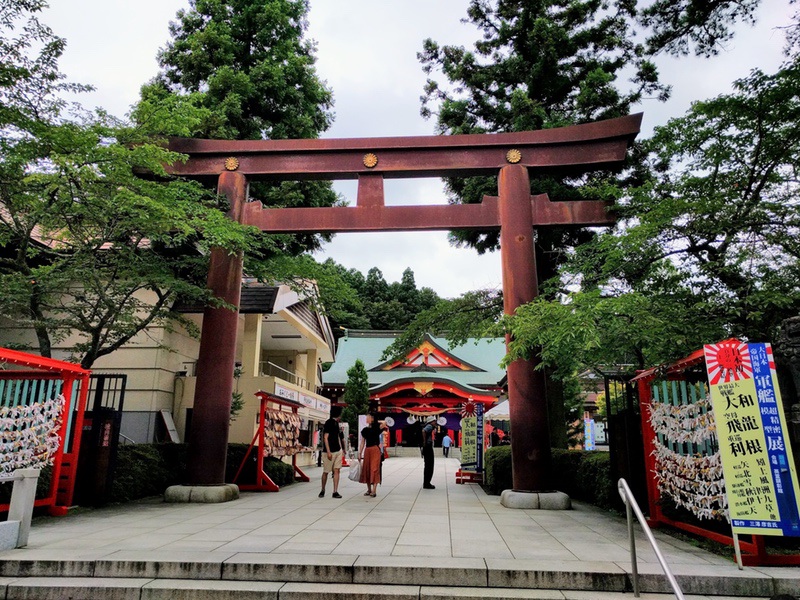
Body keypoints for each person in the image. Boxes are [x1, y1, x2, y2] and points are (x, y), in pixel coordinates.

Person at [320, 405, 344, 498]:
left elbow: (339, 437)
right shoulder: (329, 423)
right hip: (328, 451)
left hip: (337, 450)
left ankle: (335, 491)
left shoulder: (337, 424)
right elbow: (325, 437)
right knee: (326, 471)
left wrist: (342, 449)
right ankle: (323, 489)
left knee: (337, 470)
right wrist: (328, 451)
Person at [358, 412, 382, 497]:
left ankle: (374, 490)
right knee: (367, 469)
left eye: (368, 417)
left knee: (374, 469)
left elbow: (385, 423)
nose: (366, 418)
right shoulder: (365, 430)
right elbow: (362, 442)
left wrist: (375, 420)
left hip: (375, 449)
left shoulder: (377, 428)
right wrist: (360, 453)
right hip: (367, 450)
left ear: (372, 418)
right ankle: (369, 489)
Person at [422, 415, 436, 489]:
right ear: (431, 421)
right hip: (428, 447)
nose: (435, 422)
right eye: (434, 421)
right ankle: (427, 483)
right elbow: (423, 431)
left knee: (427, 465)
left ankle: (426, 482)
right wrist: (424, 442)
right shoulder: (429, 426)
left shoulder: (429, 426)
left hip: (426, 448)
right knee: (429, 465)